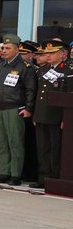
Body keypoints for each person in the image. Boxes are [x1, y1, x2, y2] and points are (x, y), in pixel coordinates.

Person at [0, 36, 36, 186]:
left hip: (15, 108)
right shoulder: (0, 65)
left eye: (8, 48)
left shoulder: (24, 66)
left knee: (15, 142)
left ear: (17, 49)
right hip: (0, 108)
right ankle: (4, 172)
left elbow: (30, 89)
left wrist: (28, 108)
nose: (4, 51)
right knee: (2, 142)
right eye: (3, 48)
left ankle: (16, 174)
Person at [31, 38, 69, 188]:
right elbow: (39, 93)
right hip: (42, 113)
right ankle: (43, 177)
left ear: (62, 54)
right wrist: (35, 114)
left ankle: (54, 176)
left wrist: (65, 118)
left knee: (55, 148)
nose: (48, 56)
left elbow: (66, 95)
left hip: (56, 115)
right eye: (48, 53)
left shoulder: (67, 70)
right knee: (42, 147)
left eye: (52, 53)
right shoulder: (43, 69)